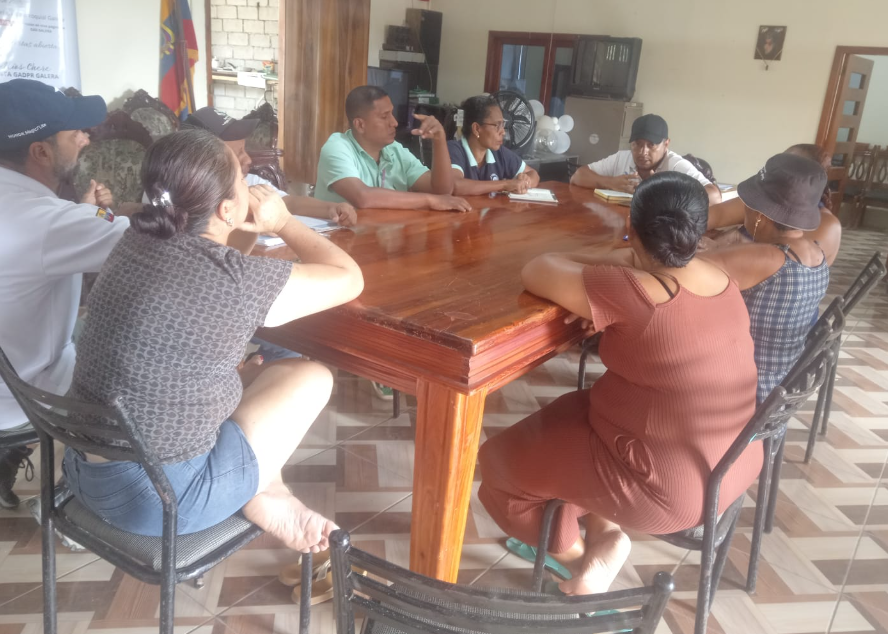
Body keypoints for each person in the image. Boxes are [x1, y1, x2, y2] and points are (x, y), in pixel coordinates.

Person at [64, 129, 364, 551]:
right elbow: (349, 279)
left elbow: (220, 257)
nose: (248, 181)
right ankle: (265, 494)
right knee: (310, 376)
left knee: (252, 377)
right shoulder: (232, 281)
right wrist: (283, 222)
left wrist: (236, 221)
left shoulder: (134, 242)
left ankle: (262, 489)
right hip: (161, 501)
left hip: (83, 471)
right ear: (226, 207)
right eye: (241, 178)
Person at [478, 172, 760, 595]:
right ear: (701, 232)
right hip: (729, 464)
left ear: (631, 225)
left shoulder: (631, 292)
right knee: (571, 413)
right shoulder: (721, 280)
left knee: (498, 469)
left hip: (667, 488)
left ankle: (580, 562)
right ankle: (604, 532)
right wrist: (606, 295)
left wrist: (609, 277)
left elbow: (538, 268)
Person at [0, 79, 126, 509]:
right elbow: (156, 246)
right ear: (40, 151)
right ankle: (81, 494)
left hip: (10, 362)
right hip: (25, 390)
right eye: (74, 132)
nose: (85, 138)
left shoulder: (41, 214)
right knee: (143, 352)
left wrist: (92, 214)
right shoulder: (45, 219)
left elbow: (82, 225)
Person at [702, 153, 830, 403]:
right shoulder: (817, 254)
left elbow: (680, 270)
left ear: (760, 215)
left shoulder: (766, 258)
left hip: (743, 396)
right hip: (779, 393)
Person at [182, 107, 357, 227]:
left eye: (245, 150)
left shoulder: (249, 181)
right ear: (204, 160)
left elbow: (288, 203)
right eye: (238, 153)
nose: (248, 159)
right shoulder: (185, 198)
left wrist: (331, 208)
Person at [315, 85, 471, 212]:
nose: (394, 122)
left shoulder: (394, 149)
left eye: (392, 114)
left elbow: (442, 191)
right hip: (337, 237)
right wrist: (429, 200)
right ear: (360, 125)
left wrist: (439, 140)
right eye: (385, 116)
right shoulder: (337, 147)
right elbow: (363, 197)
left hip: (381, 235)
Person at [705, 144, 841, 262]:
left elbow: (783, 264)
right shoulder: (764, 201)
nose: (776, 169)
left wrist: (729, 246)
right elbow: (713, 215)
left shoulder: (827, 225)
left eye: (786, 167)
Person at [570, 114, 722, 205]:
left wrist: (665, 192)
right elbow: (578, 176)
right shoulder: (622, 158)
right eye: (637, 144)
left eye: (651, 145)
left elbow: (714, 197)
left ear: (666, 144)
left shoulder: (675, 165)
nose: (643, 152)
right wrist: (610, 183)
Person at [447, 95, 540, 196]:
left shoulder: (499, 152)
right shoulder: (454, 149)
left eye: (503, 124)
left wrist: (525, 181)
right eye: (497, 125)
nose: (503, 132)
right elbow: (455, 185)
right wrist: (505, 185)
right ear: (476, 129)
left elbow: (533, 174)